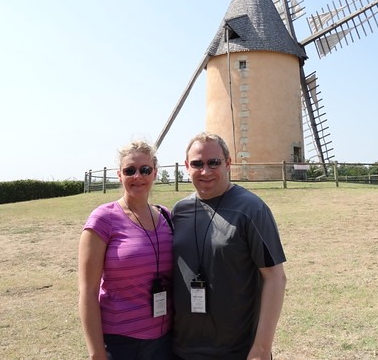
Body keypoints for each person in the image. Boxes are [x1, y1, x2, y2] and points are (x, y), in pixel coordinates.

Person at [171, 132, 287, 360]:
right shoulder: (179, 211)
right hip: (181, 350)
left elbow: (275, 278)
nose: (205, 171)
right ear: (186, 166)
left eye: (214, 162)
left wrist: (261, 349)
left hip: (236, 351)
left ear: (228, 163)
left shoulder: (252, 209)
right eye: (197, 164)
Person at [78, 141, 174, 360]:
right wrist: (97, 354)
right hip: (121, 342)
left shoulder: (167, 217)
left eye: (145, 170)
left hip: (165, 339)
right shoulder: (103, 219)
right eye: (129, 170)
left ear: (155, 173)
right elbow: (87, 292)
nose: (137, 176)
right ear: (119, 175)